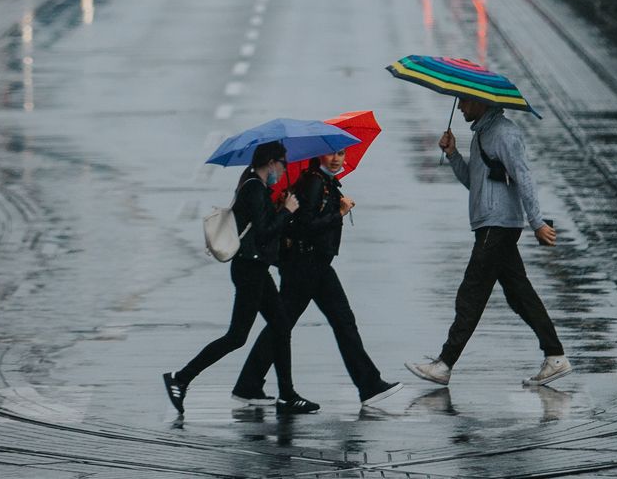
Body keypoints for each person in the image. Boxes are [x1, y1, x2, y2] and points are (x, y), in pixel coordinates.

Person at [405, 97, 571, 387]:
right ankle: (555, 356)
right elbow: (474, 181)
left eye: (465, 102)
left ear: (480, 102)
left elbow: (524, 177)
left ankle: (444, 364)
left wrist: (537, 222)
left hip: (498, 225)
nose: (460, 108)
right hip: (490, 224)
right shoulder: (482, 133)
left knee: (472, 292)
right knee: (519, 294)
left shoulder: (505, 134)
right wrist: (454, 154)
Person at [232, 149, 402, 408]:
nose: (336, 159)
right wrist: (340, 213)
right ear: (318, 157)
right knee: (295, 324)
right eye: (330, 154)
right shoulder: (313, 182)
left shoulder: (323, 182)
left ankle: (249, 384)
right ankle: (368, 385)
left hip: (314, 265)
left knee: (333, 321)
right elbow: (305, 225)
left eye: (341, 154)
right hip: (305, 265)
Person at [163, 141, 320, 415]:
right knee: (237, 336)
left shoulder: (254, 186)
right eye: (283, 164)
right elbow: (263, 233)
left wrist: (280, 208)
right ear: (271, 162)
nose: (284, 170)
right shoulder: (254, 189)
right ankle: (181, 378)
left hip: (255, 268)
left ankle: (287, 395)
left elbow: (262, 226)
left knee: (281, 326)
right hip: (250, 270)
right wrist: (286, 211)